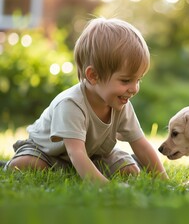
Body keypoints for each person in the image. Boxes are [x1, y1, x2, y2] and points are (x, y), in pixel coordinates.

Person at [4, 17, 168, 183]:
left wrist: (164, 180)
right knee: (25, 164)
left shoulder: (121, 104)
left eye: (138, 80)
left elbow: (140, 144)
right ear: (93, 76)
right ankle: (77, 170)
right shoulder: (71, 104)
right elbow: (76, 152)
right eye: (126, 80)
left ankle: (84, 170)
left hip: (94, 155)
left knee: (130, 170)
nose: (134, 89)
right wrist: (105, 186)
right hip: (49, 153)